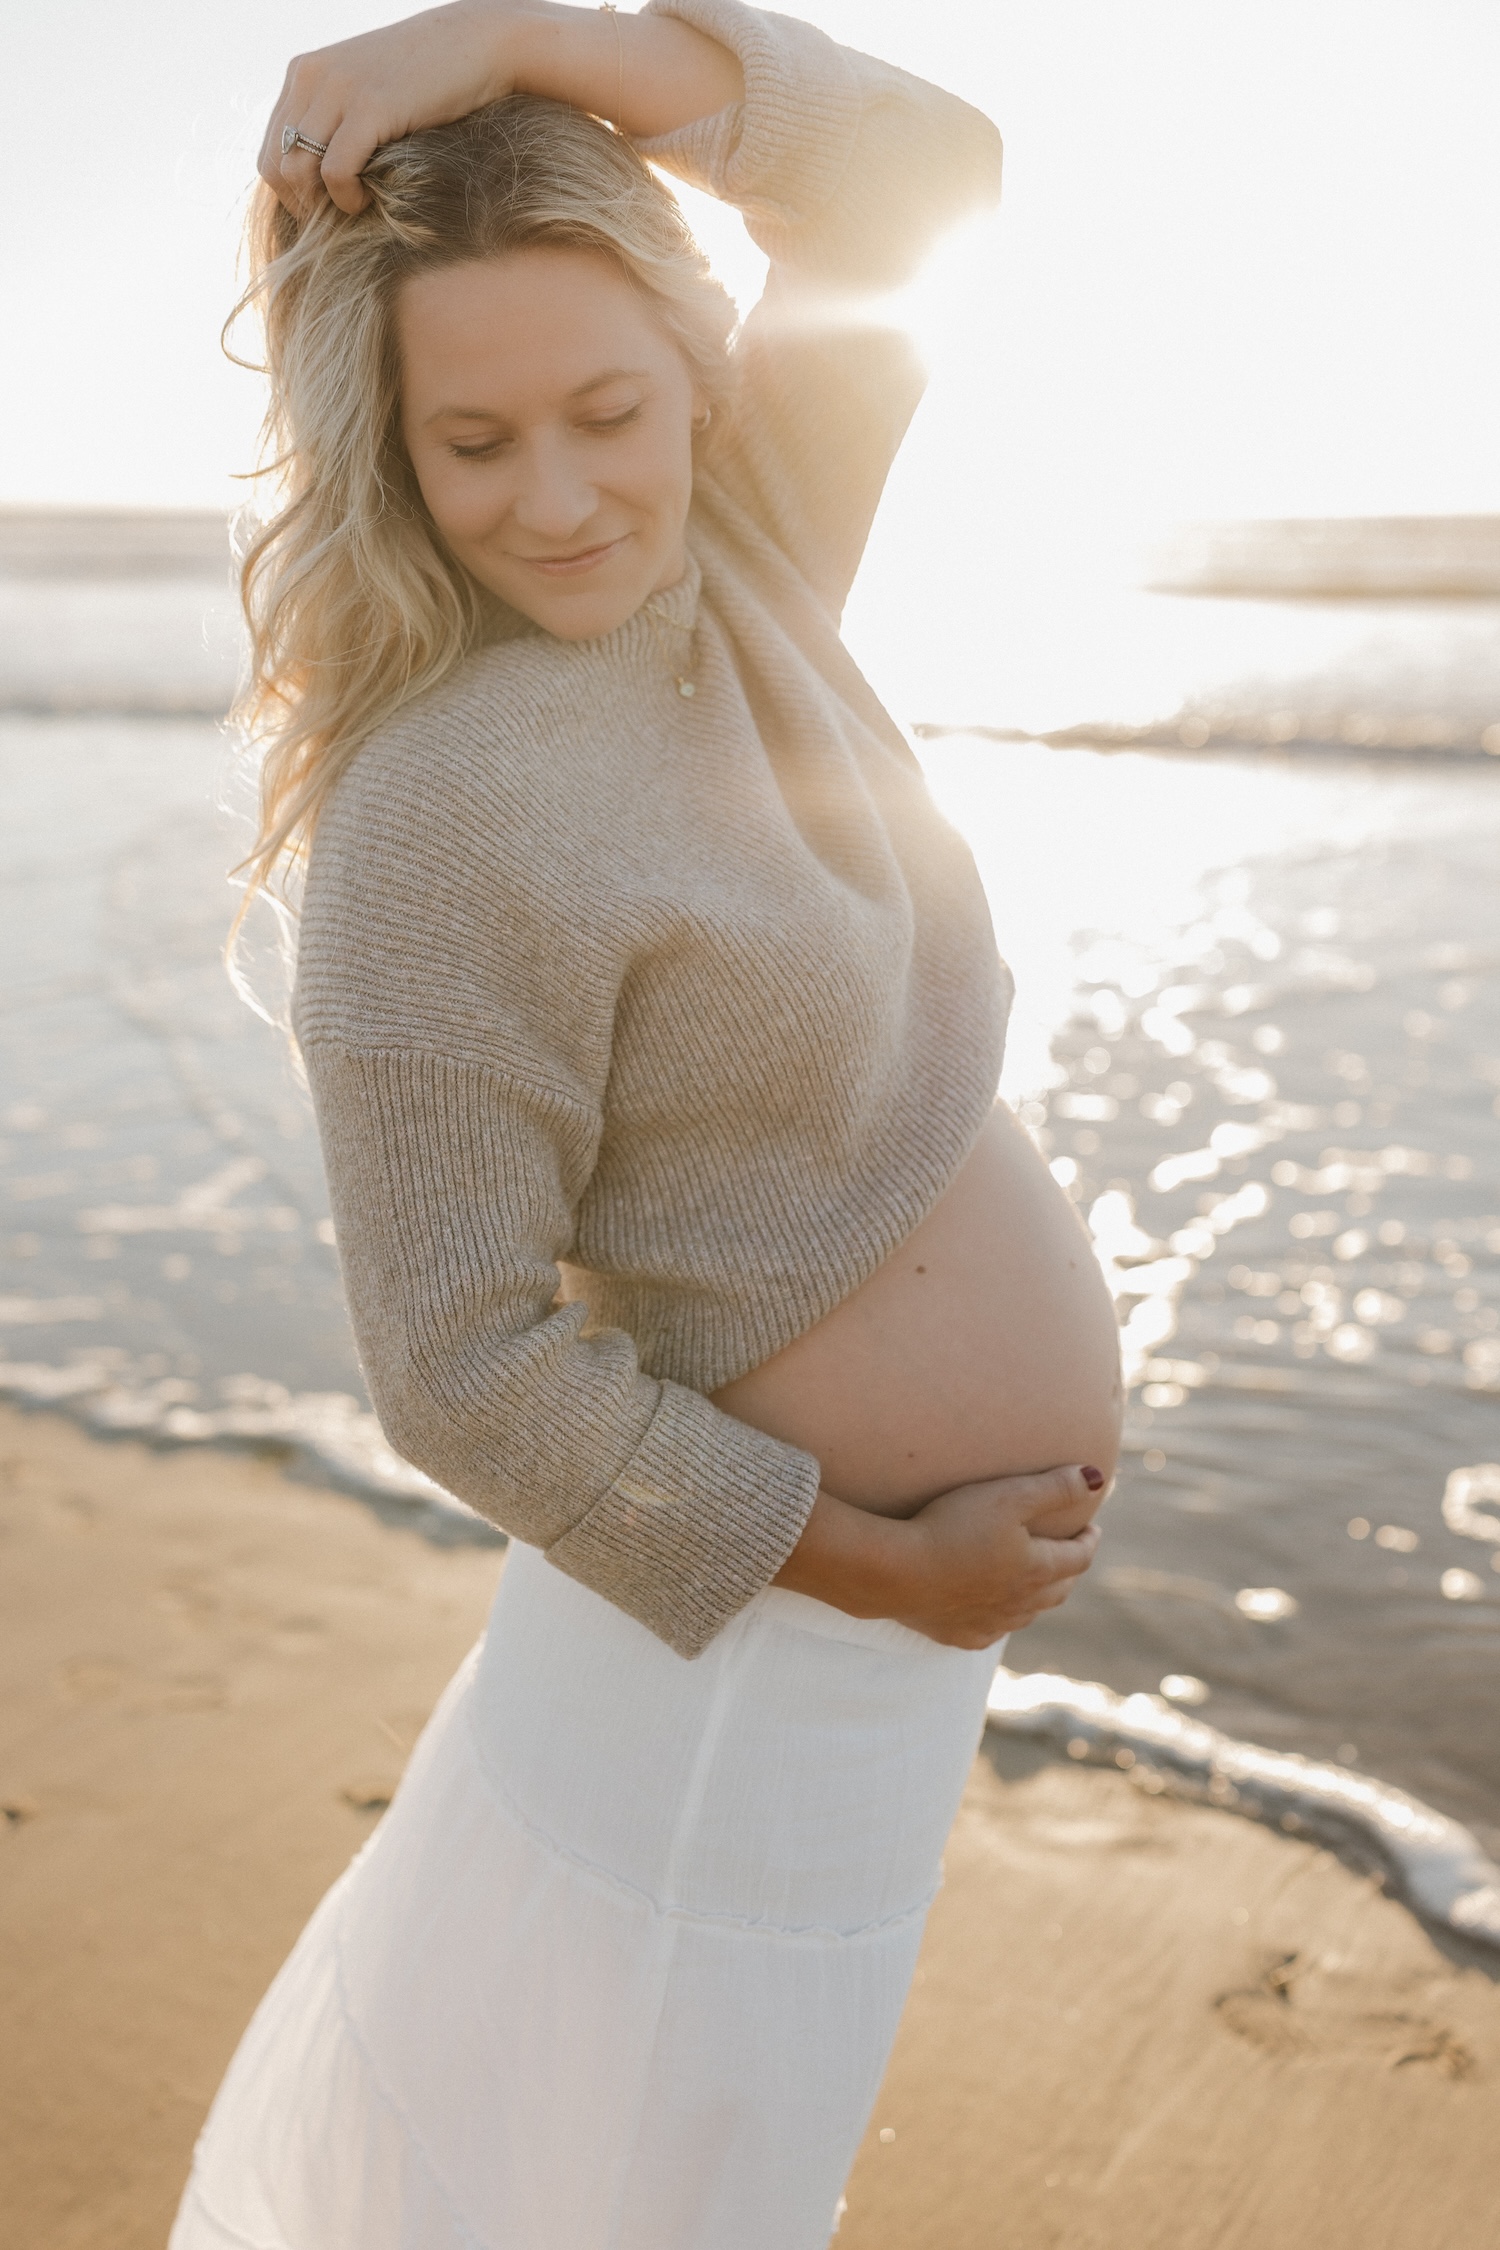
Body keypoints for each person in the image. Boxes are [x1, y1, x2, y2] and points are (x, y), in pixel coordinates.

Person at [171, 4, 1122, 2244]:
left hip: (837, 1660)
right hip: (747, 1653)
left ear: (699, 369)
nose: (565, 496)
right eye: (474, 441)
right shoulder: (434, 817)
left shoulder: (750, 557)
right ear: (389, 451)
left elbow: (918, 173)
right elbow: (461, 1362)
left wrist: (508, 37)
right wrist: (880, 1564)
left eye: (609, 410)